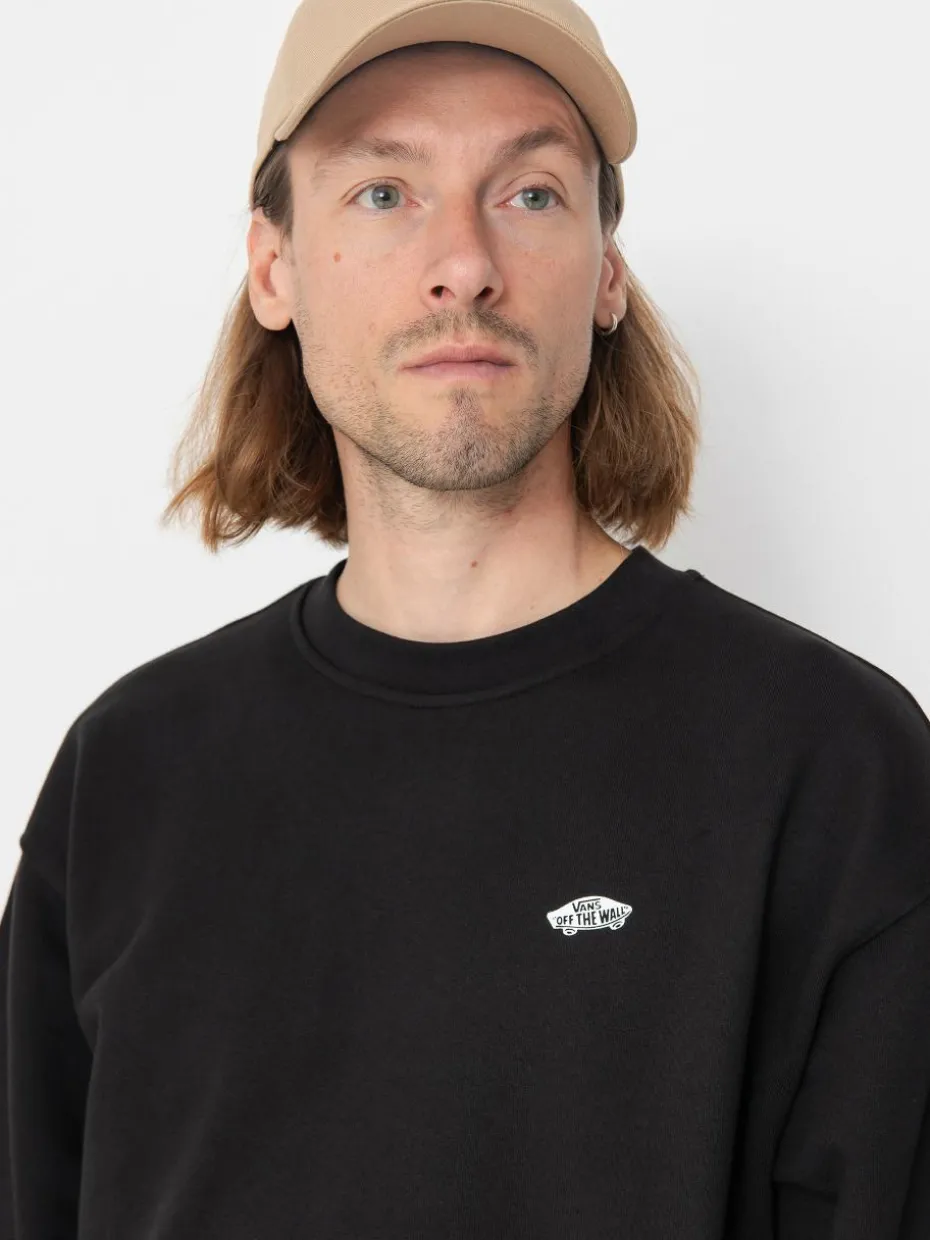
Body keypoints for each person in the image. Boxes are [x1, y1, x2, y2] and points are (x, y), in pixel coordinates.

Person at [2, 0, 929, 1235]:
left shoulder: (831, 762)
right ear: (275, 269)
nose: (465, 262)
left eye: (530, 192)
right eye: (384, 192)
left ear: (606, 275)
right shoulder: (126, 775)